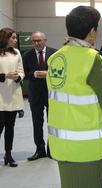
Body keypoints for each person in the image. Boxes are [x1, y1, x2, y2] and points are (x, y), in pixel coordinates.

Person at [46, 6, 102, 188]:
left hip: (61, 144)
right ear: (92, 32)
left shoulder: (55, 58)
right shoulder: (92, 60)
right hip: (86, 148)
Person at [22, 31, 57, 161]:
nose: (37, 43)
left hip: (51, 94)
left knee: (52, 123)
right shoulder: (27, 55)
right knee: (37, 123)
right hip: (35, 94)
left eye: (39, 40)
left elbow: (62, 72)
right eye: (34, 41)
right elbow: (24, 73)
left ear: (45, 40)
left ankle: (51, 150)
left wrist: (50, 73)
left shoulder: (55, 53)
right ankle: (40, 150)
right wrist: (35, 74)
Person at [0, 27, 25, 167]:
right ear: (5, 37)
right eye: (13, 38)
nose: (15, 40)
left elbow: (21, 70)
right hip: (0, 95)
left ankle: (8, 155)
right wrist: (4, 76)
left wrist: (18, 77)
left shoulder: (17, 53)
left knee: (10, 128)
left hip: (13, 95)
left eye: (16, 38)